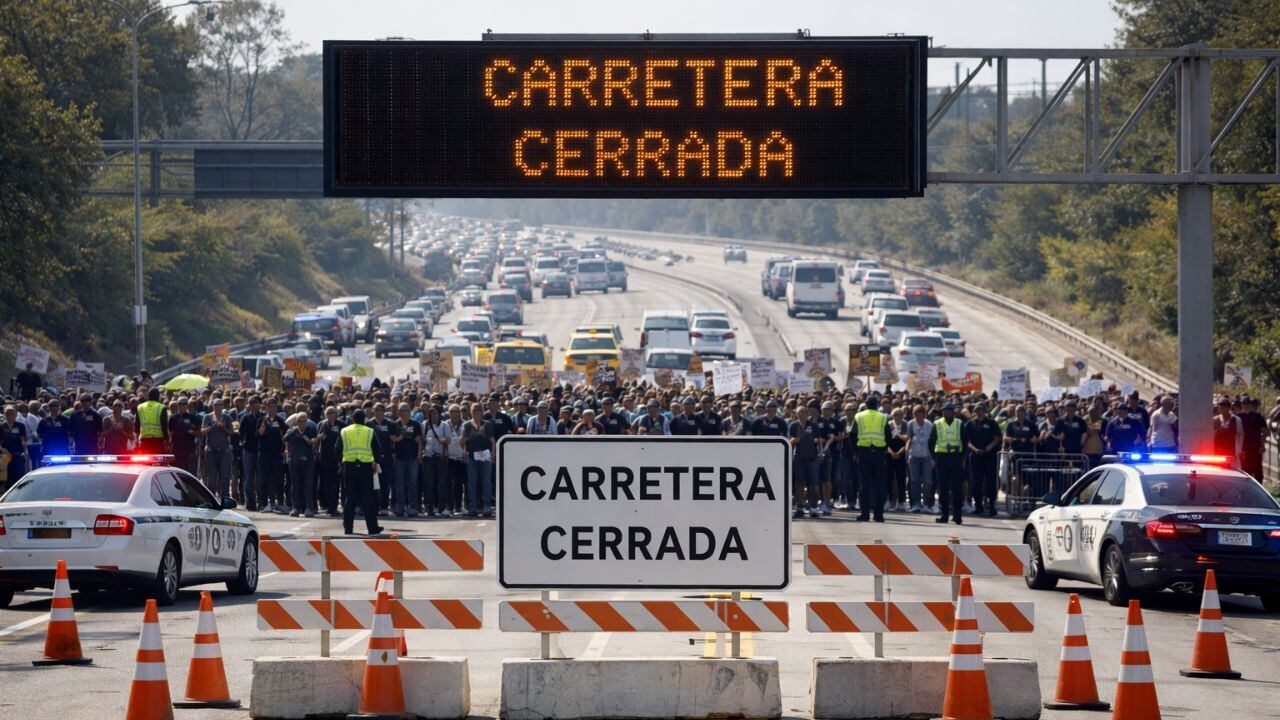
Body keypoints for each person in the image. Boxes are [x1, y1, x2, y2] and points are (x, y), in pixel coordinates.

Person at [338, 408, 383, 536]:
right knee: (368, 499)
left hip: (349, 467)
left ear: (352, 419)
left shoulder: (344, 431)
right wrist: (376, 463)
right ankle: (372, 528)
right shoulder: (369, 431)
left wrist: (340, 463)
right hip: (365, 467)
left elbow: (337, 448)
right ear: (364, 419)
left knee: (350, 499)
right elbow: (377, 449)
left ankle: (348, 528)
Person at [852, 396, 892, 523]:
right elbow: (888, 435)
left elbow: (852, 434)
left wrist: (856, 450)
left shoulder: (859, 416)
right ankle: (878, 515)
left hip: (863, 452)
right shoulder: (883, 417)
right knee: (879, 485)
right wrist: (884, 449)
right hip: (879, 453)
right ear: (877, 404)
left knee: (864, 485)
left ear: (866, 404)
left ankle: (865, 514)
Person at [931, 402, 967, 525]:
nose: (945, 413)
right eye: (944, 411)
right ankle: (944, 516)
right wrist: (933, 458)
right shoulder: (937, 423)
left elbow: (965, 441)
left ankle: (957, 516)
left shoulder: (959, 423)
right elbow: (931, 441)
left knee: (957, 489)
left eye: (948, 411)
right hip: (941, 458)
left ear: (952, 412)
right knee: (943, 489)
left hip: (956, 458)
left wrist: (963, 458)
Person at [965, 403, 1002, 517]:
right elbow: (967, 441)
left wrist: (989, 447)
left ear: (985, 411)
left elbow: (997, 437)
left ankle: (991, 505)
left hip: (989, 455)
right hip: (975, 456)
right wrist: (975, 449)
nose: (979, 412)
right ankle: (978, 506)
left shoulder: (992, 423)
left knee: (991, 480)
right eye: (977, 410)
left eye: (981, 409)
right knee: (976, 481)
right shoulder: (970, 424)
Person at [462, 403, 495, 517]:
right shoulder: (467, 425)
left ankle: (487, 506)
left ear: (482, 412)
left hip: (485, 456)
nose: (476, 413)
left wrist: (493, 454)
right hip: (472, 457)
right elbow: (463, 442)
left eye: (478, 411)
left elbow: (492, 440)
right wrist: (467, 439)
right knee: (472, 482)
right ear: (471, 413)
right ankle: (473, 507)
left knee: (486, 482)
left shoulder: (487, 424)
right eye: (474, 411)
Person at [788, 404, 821, 518]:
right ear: (796, 414)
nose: (802, 414)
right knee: (799, 484)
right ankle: (799, 507)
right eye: (800, 412)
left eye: (804, 412)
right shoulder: (793, 425)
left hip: (813, 458)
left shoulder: (814, 425)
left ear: (807, 414)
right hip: (798, 458)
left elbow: (819, 440)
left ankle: (813, 507)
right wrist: (797, 439)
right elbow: (789, 442)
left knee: (814, 485)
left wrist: (821, 452)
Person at [391, 403, 422, 517]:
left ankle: (412, 506)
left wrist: (419, 453)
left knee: (413, 483)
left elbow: (419, 440)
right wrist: (399, 439)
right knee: (399, 483)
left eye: (406, 410)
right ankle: (400, 506)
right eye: (401, 410)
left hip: (413, 458)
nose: (404, 412)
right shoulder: (394, 424)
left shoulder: (415, 424)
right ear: (398, 412)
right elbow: (392, 439)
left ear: (409, 412)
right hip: (399, 458)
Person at [201, 398, 236, 500]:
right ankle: (211, 500)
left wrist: (222, 427)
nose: (218, 407)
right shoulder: (207, 417)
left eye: (220, 405)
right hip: (211, 452)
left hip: (224, 452)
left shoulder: (227, 418)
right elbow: (202, 432)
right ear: (213, 406)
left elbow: (231, 433)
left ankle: (225, 500)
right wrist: (213, 426)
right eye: (216, 405)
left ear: (223, 406)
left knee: (225, 477)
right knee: (211, 478)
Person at [257, 398, 287, 513]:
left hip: (277, 454)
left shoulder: (280, 420)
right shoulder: (261, 420)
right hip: (264, 454)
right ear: (266, 407)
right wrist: (263, 427)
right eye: (269, 406)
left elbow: (285, 435)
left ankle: (280, 503)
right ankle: (264, 504)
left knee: (279, 479)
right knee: (264, 479)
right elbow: (258, 434)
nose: (271, 408)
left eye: (274, 406)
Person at [284, 412, 317, 517]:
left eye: (304, 421)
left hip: (308, 461)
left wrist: (311, 440)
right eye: (300, 421)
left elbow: (315, 440)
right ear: (296, 422)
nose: (302, 423)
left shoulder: (311, 430)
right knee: (295, 484)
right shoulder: (292, 431)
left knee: (309, 484)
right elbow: (285, 439)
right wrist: (288, 451)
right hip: (294, 461)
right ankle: (295, 507)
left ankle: (309, 507)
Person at [422, 405, 452, 516]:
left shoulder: (445, 425)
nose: (433, 415)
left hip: (440, 457)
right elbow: (422, 439)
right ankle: (430, 507)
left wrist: (443, 440)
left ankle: (441, 507)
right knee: (429, 483)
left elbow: (448, 440)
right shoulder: (424, 425)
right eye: (431, 413)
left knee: (441, 483)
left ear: (439, 414)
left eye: (435, 413)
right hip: (428, 456)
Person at [905, 404, 933, 513]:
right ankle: (916, 504)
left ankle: (926, 504)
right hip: (914, 456)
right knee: (914, 481)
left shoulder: (929, 425)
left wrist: (933, 458)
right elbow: (909, 439)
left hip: (927, 456)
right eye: (915, 414)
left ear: (923, 414)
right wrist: (906, 454)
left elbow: (932, 441)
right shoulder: (910, 424)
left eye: (920, 413)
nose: (918, 416)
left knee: (927, 481)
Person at [316, 406, 344, 516]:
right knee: (326, 483)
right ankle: (328, 505)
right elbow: (317, 439)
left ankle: (334, 505)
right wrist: (319, 439)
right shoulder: (322, 424)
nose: (331, 415)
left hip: (338, 458)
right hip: (325, 458)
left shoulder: (341, 424)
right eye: (329, 413)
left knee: (336, 483)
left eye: (333, 412)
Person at [237, 396, 264, 511]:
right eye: (252, 403)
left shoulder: (263, 417)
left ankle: (261, 502)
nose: (254, 405)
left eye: (256, 403)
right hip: (248, 450)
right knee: (248, 477)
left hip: (260, 450)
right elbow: (240, 432)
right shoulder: (246, 417)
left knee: (260, 478)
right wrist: (241, 442)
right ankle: (250, 502)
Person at [1238, 397, 1267, 481]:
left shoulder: (1257, 416)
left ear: (1250, 405)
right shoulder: (1238, 417)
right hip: (1244, 449)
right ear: (1241, 405)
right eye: (1244, 403)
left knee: (1258, 472)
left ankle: (1258, 488)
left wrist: (1262, 445)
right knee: (1245, 471)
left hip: (1256, 448)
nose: (1246, 405)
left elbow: (1265, 431)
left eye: (1247, 404)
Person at [169, 397, 199, 475]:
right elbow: (170, 433)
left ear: (187, 405)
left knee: (190, 473)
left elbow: (198, 433)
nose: (182, 406)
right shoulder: (173, 418)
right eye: (180, 404)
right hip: (177, 450)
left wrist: (191, 431)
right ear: (178, 405)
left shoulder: (193, 417)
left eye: (184, 404)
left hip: (190, 449)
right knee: (178, 473)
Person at [1, 405, 29, 484]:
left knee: (19, 474)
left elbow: (23, 440)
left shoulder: (20, 426)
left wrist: (25, 453)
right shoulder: (1, 426)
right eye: (7, 413)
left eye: (12, 413)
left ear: (16, 414)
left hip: (18, 453)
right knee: (6, 477)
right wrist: (3, 450)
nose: (9, 415)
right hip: (5, 454)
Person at [136, 388, 168, 454]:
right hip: (158, 440)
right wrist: (167, 439)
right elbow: (164, 425)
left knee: (145, 459)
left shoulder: (140, 407)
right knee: (158, 459)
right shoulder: (161, 407)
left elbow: (136, 425)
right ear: (158, 396)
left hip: (144, 440)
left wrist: (138, 438)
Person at [1212, 396, 1243, 461]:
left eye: (1224, 407)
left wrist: (1240, 449)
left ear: (1228, 408)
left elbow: (1241, 435)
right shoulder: (1215, 420)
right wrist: (1218, 432)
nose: (1222, 409)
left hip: (1232, 452)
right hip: (1218, 452)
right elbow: (1211, 436)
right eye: (1220, 407)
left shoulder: (1236, 419)